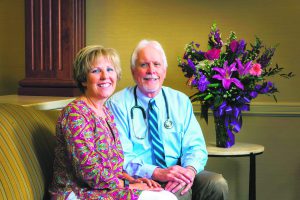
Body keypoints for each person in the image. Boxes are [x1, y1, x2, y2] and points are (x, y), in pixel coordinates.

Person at [49, 45, 177, 200]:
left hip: (103, 188)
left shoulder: (106, 113)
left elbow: (113, 166)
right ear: (83, 79)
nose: (105, 76)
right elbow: (89, 171)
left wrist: (133, 180)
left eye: (110, 70)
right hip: (75, 192)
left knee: (163, 194)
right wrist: (129, 186)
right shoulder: (76, 114)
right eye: (96, 71)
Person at [107, 40, 229, 200]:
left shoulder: (180, 100)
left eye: (157, 64)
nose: (151, 70)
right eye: (144, 65)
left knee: (217, 184)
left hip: (180, 171)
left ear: (164, 70)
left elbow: (196, 146)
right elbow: (121, 156)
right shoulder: (117, 104)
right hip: (143, 178)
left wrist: (189, 171)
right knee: (178, 195)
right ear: (133, 71)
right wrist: (158, 172)